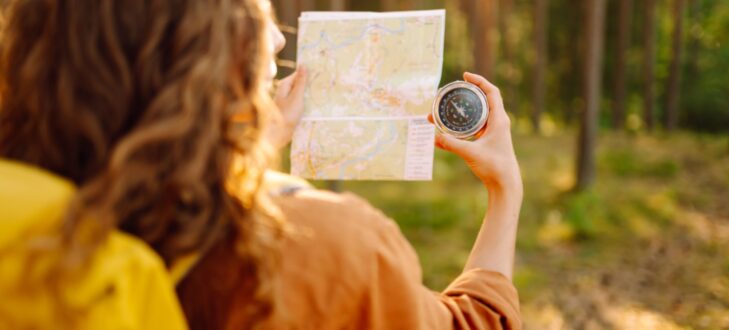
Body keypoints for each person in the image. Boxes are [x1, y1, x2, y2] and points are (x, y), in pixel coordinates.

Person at [0, 0, 523, 329]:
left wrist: (246, 159)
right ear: (210, 54)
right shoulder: (328, 253)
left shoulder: (25, 238)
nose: (277, 38)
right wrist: (505, 193)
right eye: (255, 11)